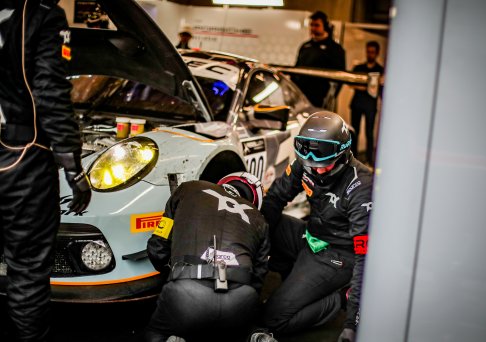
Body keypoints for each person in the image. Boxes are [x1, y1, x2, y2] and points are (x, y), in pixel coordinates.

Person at [0, 0, 91, 341]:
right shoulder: (41, 13)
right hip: (19, 157)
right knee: (27, 271)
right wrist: (73, 166)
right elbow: (51, 91)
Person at [259, 112, 373, 342]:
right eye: (311, 164)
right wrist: (256, 249)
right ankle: (290, 275)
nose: (318, 170)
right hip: (310, 235)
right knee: (259, 224)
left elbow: (364, 256)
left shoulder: (361, 186)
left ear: (343, 155)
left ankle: (340, 296)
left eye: (325, 165)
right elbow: (274, 200)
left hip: (338, 254)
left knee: (271, 319)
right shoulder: (307, 163)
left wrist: (352, 321)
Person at [145, 173, 270, 342]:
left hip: (186, 291)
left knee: (157, 332)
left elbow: (156, 248)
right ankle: (256, 335)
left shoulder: (187, 189)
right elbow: (258, 279)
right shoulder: (259, 219)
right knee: (246, 326)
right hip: (241, 298)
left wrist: (177, 274)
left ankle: (172, 337)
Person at [293, 11, 346, 109]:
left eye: (316, 25)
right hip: (301, 97)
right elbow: (296, 69)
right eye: (311, 25)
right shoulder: (305, 46)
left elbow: (340, 77)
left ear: (325, 26)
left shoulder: (335, 49)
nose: (313, 28)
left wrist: (330, 98)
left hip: (321, 99)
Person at [349, 41, 384, 166]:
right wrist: (366, 88)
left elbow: (381, 89)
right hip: (357, 104)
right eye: (368, 51)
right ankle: (352, 159)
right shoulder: (359, 68)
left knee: (369, 133)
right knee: (354, 132)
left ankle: (370, 160)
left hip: (370, 106)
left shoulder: (380, 70)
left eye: (372, 52)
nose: (370, 54)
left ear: (377, 53)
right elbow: (350, 83)